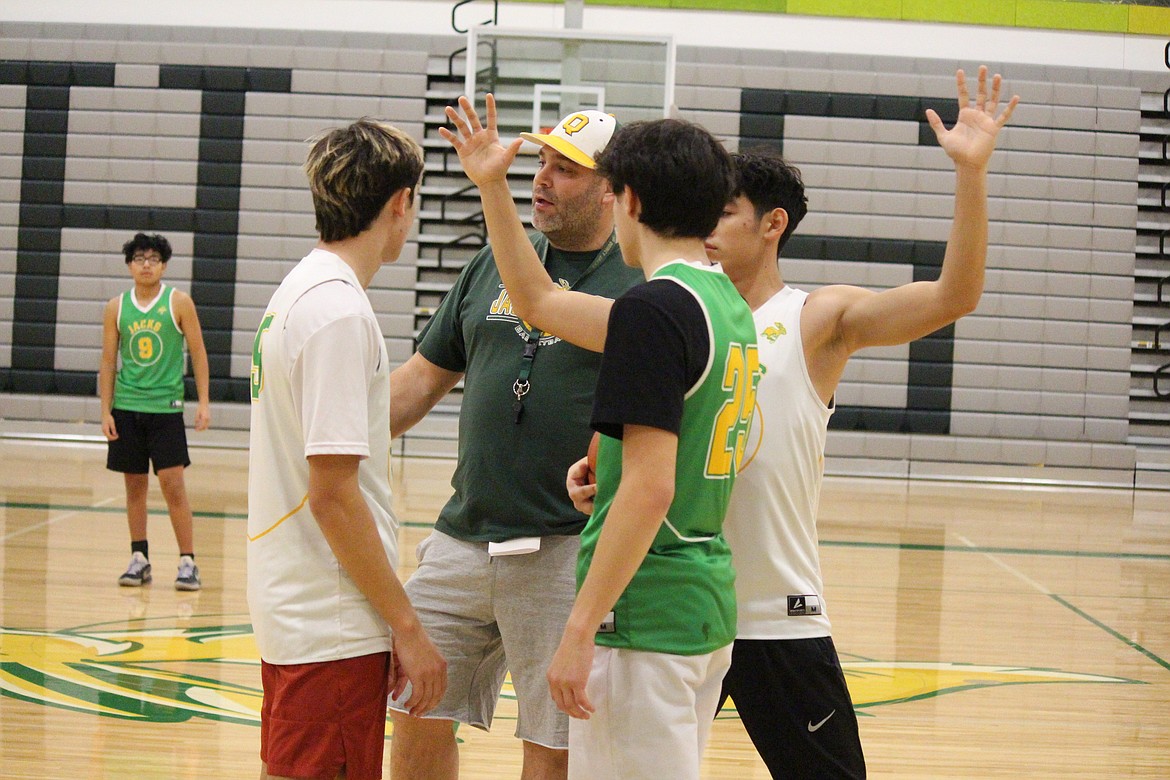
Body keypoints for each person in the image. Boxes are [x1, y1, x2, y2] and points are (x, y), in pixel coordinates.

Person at [567, 66, 1019, 778]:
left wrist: (969, 173)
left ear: (772, 224)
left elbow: (954, 294)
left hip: (776, 613)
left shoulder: (815, 319)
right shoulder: (676, 309)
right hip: (679, 609)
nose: (706, 228)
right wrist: (603, 467)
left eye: (725, 213)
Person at [439, 95, 760, 779]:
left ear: (629, 199)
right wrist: (607, 476)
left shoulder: (652, 310)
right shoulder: (723, 302)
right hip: (703, 599)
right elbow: (543, 304)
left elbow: (652, 487)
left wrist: (579, 628)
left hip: (647, 608)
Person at [386, 107, 641, 780]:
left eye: (567, 169)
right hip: (460, 539)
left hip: (562, 551)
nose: (543, 180)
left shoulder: (641, 287)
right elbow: (416, 383)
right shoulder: (489, 263)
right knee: (413, 712)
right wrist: (318, 423)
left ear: (614, 189)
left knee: (554, 748)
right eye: (542, 163)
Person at [246, 118, 447, 780]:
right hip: (328, 622)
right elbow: (332, 496)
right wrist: (409, 628)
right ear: (400, 202)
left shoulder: (298, 291)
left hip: (299, 610)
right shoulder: (337, 312)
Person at [99, 231, 210, 591]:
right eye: (139, 258)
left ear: (163, 265)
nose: (146, 265)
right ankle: (139, 557)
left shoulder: (179, 302)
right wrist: (106, 411)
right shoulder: (117, 307)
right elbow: (107, 362)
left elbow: (199, 354)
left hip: (165, 410)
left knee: (173, 486)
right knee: (134, 487)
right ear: (130, 265)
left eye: (153, 259)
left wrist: (203, 403)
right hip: (127, 407)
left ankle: (187, 560)